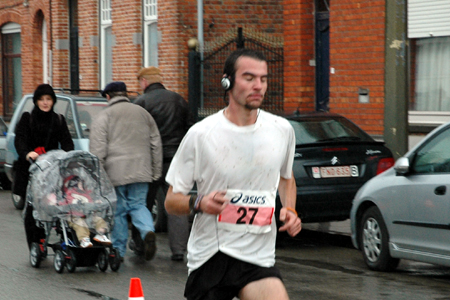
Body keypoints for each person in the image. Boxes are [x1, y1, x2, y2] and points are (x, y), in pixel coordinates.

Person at [165, 49, 302, 300]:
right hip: (212, 255)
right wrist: (200, 202)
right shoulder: (201, 134)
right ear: (227, 81)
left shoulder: (281, 130)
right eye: (249, 78)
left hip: (257, 257)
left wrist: (291, 210)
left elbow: (286, 177)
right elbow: (171, 201)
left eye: (263, 79)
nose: (258, 86)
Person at [89, 81, 163, 261]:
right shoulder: (143, 114)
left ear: (108, 96)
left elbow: (98, 150)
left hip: (115, 173)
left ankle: (118, 251)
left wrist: (96, 175)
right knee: (139, 205)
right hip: (141, 170)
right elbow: (156, 143)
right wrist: (156, 171)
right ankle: (147, 232)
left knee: (119, 211)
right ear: (125, 94)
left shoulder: (104, 116)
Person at [131, 66, 194, 261]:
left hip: (151, 161)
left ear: (144, 82)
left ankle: (140, 243)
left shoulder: (141, 102)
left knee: (143, 203)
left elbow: (137, 134)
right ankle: (178, 250)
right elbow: (191, 129)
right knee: (177, 203)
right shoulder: (178, 100)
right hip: (177, 159)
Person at [14, 84, 75, 250]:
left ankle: (67, 239)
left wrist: (66, 157)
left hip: (52, 169)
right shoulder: (28, 118)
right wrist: (28, 153)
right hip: (31, 169)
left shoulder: (59, 120)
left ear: (53, 101)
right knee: (33, 207)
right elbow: (20, 140)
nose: (45, 103)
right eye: (41, 99)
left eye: (48, 99)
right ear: (36, 101)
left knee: (58, 204)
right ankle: (36, 242)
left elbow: (68, 143)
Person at [46, 175, 112, 248]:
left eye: (82, 183)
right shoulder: (70, 193)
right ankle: (84, 239)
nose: (83, 185)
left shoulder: (86, 193)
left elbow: (90, 201)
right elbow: (65, 202)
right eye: (80, 184)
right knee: (80, 223)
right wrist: (63, 203)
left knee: (99, 219)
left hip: (87, 215)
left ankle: (100, 234)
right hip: (73, 216)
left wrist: (96, 202)